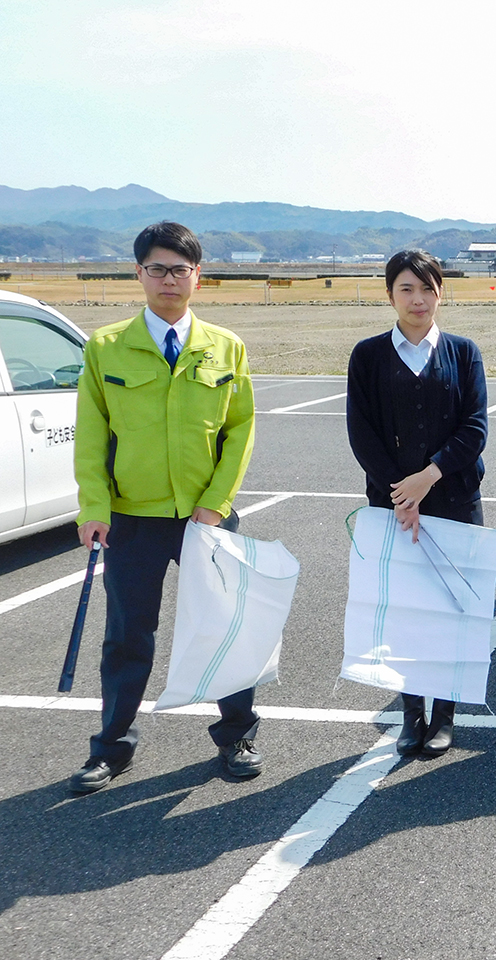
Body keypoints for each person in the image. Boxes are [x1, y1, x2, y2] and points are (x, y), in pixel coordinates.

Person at [70, 221, 258, 793]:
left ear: (198, 276)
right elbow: (90, 437)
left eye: (181, 269)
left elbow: (241, 429)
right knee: (128, 636)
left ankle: (238, 734)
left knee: (228, 629)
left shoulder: (226, 346)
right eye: (158, 268)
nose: (169, 280)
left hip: (208, 517)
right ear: (139, 274)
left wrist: (216, 502)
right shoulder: (105, 348)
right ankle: (111, 748)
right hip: (132, 517)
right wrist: (93, 508)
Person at [346, 250, 487, 759]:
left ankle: (445, 716)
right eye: (406, 288)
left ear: (441, 292)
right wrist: (400, 494)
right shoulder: (367, 356)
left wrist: (428, 477)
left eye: (427, 288)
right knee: (405, 610)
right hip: (392, 507)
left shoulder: (464, 352)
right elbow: (362, 434)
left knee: (452, 609)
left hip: (455, 500)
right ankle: (411, 715)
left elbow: (475, 428)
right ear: (389, 295)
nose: (418, 299)